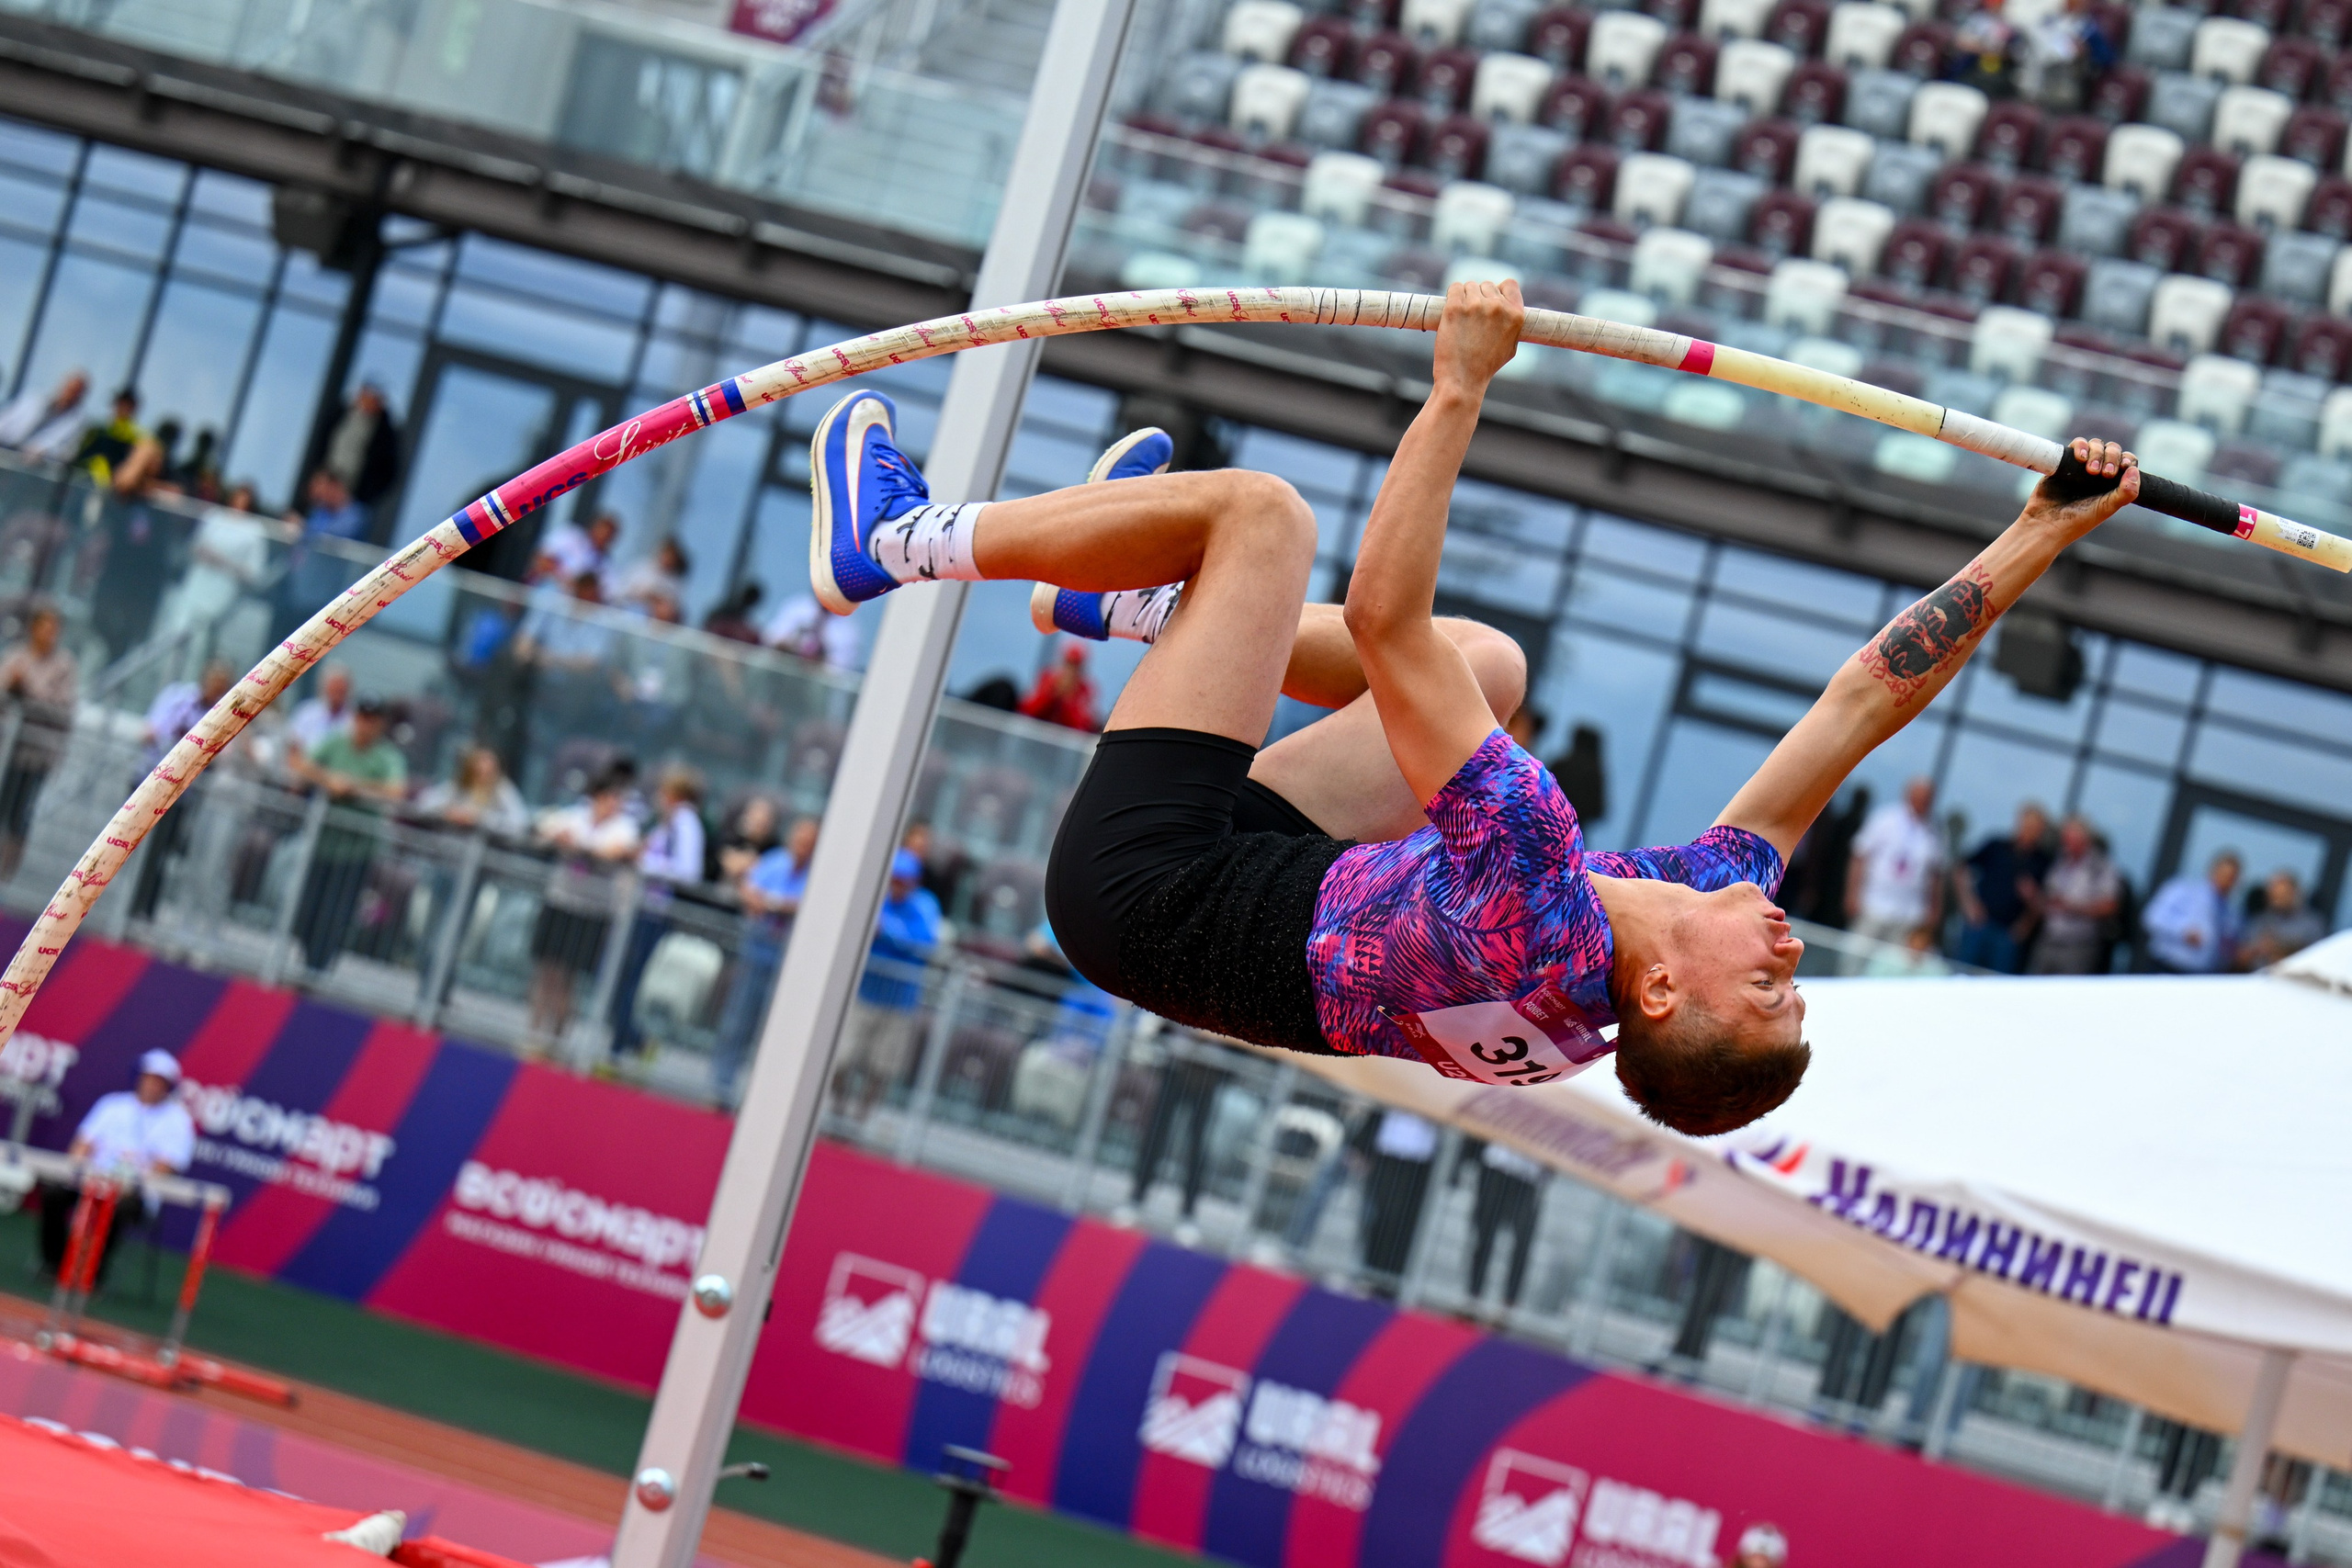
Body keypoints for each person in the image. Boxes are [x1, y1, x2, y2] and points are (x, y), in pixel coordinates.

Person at [801, 278, 2148, 1134]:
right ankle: (1145, 612)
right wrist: (2042, 531)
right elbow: (1860, 706)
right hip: (1272, 886)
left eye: (1770, 994)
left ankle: (905, 539)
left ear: (1668, 988)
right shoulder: (1660, 907)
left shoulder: (1536, 901)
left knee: (1258, 515)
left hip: (1152, 892)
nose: (1796, 961)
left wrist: (1459, 383)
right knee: (1487, 672)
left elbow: (1386, 620)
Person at [39, 1049, 195, 1283]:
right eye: (149, 1078)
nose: (152, 1085)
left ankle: (92, 1272)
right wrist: (78, 1173)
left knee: (120, 1207)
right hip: (90, 1181)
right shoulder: (112, 1104)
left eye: (160, 1081)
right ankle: (56, 1265)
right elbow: (81, 1147)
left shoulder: (179, 1120)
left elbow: (166, 1168)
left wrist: (126, 1184)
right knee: (54, 1191)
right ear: (139, 1077)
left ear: (169, 1086)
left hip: (134, 1193)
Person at [285, 694, 408, 976]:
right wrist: (329, 780)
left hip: (357, 850)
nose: (366, 726)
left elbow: (395, 791)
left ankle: (318, 969)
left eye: (372, 721)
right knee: (307, 907)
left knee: (337, 913)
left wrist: (355, 788)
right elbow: (301, 763)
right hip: (323, 842)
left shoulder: (387, 756)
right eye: (362, 718)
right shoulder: (335, 742)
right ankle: (306, 959)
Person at [528, 766, 642, 1055]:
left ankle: (556, 1039)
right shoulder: (574, 816)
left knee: (568, 978)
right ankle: (535, 1034)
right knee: (546, 972)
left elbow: (615, 850)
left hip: (591, 910)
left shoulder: (624, 827)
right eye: (609, 797)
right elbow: (546, 829)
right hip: (561, 900)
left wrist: (580, 846)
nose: (613, 804)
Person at [711, 814, 819, 1103]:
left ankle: (764, 1098)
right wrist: (764, 900)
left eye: (808, 843)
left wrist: (773, 903)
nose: (801, 847)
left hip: (788, 964)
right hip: (756, 954)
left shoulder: (817, 875)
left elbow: (801, 905)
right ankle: (722, 1087)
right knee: (738, 1021)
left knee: (776, 1034)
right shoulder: (775, 861)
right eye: (799, 840)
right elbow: (750, 888)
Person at [831, 848, 942, 1121]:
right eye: (893, 879)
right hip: (863, 994)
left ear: (914, 882)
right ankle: (838, 1111)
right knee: (842, 1058)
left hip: (899, 1003)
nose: (897, 886)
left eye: (903, 880)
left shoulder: (924, 905)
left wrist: (887, 932)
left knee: (881, 1068)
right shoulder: (874, 897)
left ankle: (860, 1119)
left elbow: (925, 942)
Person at [608, 765, 708, 1061]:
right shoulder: (669, 824)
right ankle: (626, 1040)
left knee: (629, 977)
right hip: (643, 908)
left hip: (655, 910)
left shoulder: (686, 824)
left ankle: (627, 1045)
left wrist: (646, 866)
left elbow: (687, 872)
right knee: (622, 976)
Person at [129, 660, 233, 920]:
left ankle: (144, 908)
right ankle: (128, 902)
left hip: (181, 797)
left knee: (160, 853)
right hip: (149, 780)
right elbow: (153, 729)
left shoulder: (224, 717)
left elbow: (220, 756)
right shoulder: (178, 697)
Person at [0, 603, 78, 879]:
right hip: (8, 748)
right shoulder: (17, 656)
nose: (50, 633)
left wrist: (28, 692)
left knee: (20, 811)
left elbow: (62, 707)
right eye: (45, 627)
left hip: (37, 751)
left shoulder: (64, 665)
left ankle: (6, 871)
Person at [1846, 776, 1944, 960]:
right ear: (1908, 795)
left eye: (1927, 799)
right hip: (1873, 904)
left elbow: (1935, 876)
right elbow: (1859, 856)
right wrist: (1852, 894)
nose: (1923, 802)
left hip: (1908, 913)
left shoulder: (1934, 832)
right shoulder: (1884, 819)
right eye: (1920, 797)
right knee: (1856, 956)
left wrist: (1934, 911)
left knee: (1892, 964)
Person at [1950, 803, 2050, 974]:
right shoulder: (1996, 846)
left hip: (2008, 937)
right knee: (1962, 975)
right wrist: (1969, 904)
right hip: (1978, 926)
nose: (2030, 831)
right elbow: (1961, 870)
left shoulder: (2042, 862)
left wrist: (2025, 924)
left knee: (1997, 986)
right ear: (2019, 823)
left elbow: (2045, 904)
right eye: (2027, 825)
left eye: (2035, 828)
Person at [1454, 1136, 1546, 1318]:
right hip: (1496, 1166)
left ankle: (1508, 1304)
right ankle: (1473, 1296)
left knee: (1522, 1242)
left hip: (1527, 1175)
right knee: (1483, 1234)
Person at [277, 468, 370, 642]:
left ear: (334, 486)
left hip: (327, 601)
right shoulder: (320, 513)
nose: (317, 497)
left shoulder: (356, 515)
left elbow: (333, 538)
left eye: (320, 490)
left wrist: (302, 528)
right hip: (298, 594)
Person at [1357, 1108, 1439, 1290]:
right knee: (1380, 1216)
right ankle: (1370, 1273)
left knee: (1405, 1223)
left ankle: (1392, 1281)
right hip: (1389, 1150)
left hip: (1420, 1160)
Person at [2029, 815, 2120, 974]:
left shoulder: (2101, 867)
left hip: (2078, 947)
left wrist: (2072, 908)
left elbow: (2110, 907)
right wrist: (2035, 897)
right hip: (2048, 940)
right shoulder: (2060, 863)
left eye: (2069, 838)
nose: (2064, 842)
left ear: (2084, 839)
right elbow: (2050, 899)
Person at [2143, 851, 2241, 975]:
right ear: (2213, 871)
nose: (2227, 881)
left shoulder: (2230, 913)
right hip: (2167, 967)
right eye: (2225, 875)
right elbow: (2152, 918)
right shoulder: (2183, 889)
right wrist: (2184, 932)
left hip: (2200, 975)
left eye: (2232, 878)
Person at [322, 381, 402, 524]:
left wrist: (357, 495)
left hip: (354, 503)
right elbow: (321, 446)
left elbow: (387, 473)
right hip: (325, 493)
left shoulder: (385, 434)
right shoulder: (341, 414)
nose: (366, 401)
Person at [416, 744, 528, 837]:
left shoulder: (502, 790)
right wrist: (447, 811)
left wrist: (480, 818)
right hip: (448, 847)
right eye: (477, 772)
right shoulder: (459, 786)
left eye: (487, 773)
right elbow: (423, 803)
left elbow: (519, 823)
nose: (482, 777)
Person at [2237, 869, 2326, 969]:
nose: (2277, 900)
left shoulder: (2311, 924)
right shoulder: (2260, 921)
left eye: (2283, 895)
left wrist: (2280, 949)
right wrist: (2257, 949)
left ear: (2294, 894)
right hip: (2259, 979)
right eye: (2274, 896)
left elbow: (2318, 957)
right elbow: (2241, 959)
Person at [0, 371, 88, 461]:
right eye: (70, 390)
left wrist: (43, 451)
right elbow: (6, 419)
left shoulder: (77, 423)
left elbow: (68, 452)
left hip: (33, 466)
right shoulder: (34, 401)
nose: (71, 395)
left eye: (76, 393)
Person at [764, 589, 859, 669]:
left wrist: (819, 656)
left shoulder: (848, 630)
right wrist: (792, 645)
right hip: (781, 669)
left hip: (814, 685)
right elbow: (771, 639)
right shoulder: (796, 607)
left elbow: (840, 669)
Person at [68, 387, 144, 485]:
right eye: (120, 404)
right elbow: (79, 458)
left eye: (127, 406)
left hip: (113, 488)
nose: (123, 409)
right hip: (83, 482)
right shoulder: (97, 430)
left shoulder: (137, 438)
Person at [1018, 643, 1102, 732]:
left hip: (1066, 741)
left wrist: (1069, 699)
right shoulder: (1048, 678)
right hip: (1037, 733)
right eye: (1069, 663)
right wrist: (1052, 693)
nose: (1071, 670)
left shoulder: (1086, 690)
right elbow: (1028, 710)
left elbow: (1081, 726)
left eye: (1076, 666)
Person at [286, 662, 356, 761]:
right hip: (303, 765)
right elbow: (293, 745)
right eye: (333, 688)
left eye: (340, 689)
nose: (337, 693)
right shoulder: (307, 712)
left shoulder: (354, 720)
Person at [535, 510, 620, 587]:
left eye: (608, 535)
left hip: (571, 602)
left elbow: (608, 593)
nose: (603, 537)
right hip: (543, 586)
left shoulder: (605, 564)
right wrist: (564, 579)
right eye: (602, 531)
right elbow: (541, 557)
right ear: (593, 526)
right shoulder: (570, 534)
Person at [614, 536, 692, 614]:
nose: (668, 559)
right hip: (629, 609)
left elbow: (675, 606)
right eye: (667, 554)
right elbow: (624, 591)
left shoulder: (674, 582)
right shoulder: (641, 567)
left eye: (671, 557)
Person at [703, 581, 765, 645]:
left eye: (752, 599)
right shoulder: (720, 618)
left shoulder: (750, 633)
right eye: (748, 597)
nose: (748, 601)